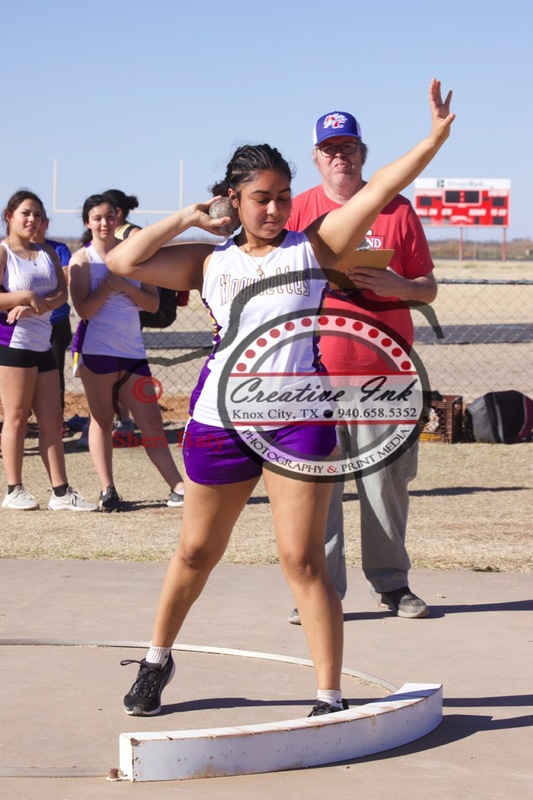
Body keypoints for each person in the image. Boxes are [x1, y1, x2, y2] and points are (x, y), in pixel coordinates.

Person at [107, 80, 454, 717]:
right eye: (260, 199)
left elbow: (377, 192)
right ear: (233, 201)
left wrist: (431, 139)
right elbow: (124, 260)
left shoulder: (315, 247)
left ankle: (327, 696)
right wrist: (188, 216)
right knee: (194, 552)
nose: (274, 210)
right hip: (220, 421)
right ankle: (157, 659)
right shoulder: (207, 262)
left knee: (303, 559)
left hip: (298, 421)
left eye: (283, 197)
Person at [285, 107, 440, 624]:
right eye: (330, 149)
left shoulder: (396, 209)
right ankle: (319, 591)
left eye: (348, 146)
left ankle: (393, 584)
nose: (340, 156)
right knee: (318, 487)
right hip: (317, 370)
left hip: (385, 372)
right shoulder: (299, 210)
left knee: (384, 484)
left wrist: (400, 287)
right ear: (316, 158)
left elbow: (428, 286)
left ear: (362, 153)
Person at [68, 194, 185, 511]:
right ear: (87, 223)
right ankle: (108, 491)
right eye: (97, 218)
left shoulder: (134, 257)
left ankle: (178, 488)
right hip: (97, 353)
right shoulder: (82, 261)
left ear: (117, 218)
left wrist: (128, 286)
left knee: (152, 424)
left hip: (133, 353)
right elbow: (85, 311)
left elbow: (153, 303)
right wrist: (108, 285)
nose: (104, 223)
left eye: (109, 217)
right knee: (102, 421)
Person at [0, 190, 97, 511]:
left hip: (43, 345)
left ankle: (61, 492)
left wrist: (36, 307)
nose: (32, 220)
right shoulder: (3, 253)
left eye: (38, 215)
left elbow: (60, 294)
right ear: (9, 217)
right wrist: (24, 296)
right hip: (12, 346)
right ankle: (14, 490)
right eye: (25, 213)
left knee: (51, 420)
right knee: (15, 417)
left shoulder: (49, 252)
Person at [31, 211, 72, 417]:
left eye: (40, 219)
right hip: (23, 325)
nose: (35, 224)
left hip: (56, 321)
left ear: (46, 223)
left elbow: (65, 279)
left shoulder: (58, 249)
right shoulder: (10, 251)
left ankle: (57, 418)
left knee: (54, 370)